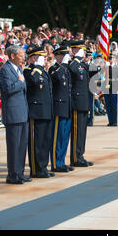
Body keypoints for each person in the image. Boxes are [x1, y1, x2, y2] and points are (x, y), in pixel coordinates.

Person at [0, 45, 31, 184]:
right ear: (12, 56)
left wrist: (20, 81)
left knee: (22, 145)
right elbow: (7, 89)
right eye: (20, 55)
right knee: (14, 145)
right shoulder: (5, 69)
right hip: (13, 113)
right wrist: (19, 81)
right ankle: (12, 174)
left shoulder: (18, 69)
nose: (23, 58)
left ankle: (20, 172)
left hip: (22, 111)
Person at [23, 45, 55, 178]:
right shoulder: (28, 71)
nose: (44, 59)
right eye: (41, 57)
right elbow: (33, 81)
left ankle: (43, 167)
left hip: (46, 110)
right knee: (36, 142)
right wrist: (37, 67)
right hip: (35, 111)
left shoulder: (42, 71)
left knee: (44, 141)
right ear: (34, 58)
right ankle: (36, 169)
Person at [48, 41, 74, 172]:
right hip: (58, 107)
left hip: (67, 106)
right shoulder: (54, 69)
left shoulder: (66, 69)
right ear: (57, 56)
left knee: (64, 137)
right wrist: (63, 64)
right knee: (57, 138)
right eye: (64, 55)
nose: (66, 57)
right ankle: (55, 163)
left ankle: (62, 161)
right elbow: (56, 78)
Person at [68, 40, 94, 167]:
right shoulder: (73, 63)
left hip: (83, 101)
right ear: (75, 51)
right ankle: (75, 157)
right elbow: (71, 70)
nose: (84, 52)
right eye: (82, 50)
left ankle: (80, 155)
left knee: (82, 132)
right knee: (77, 131)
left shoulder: (83, 65)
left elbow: (92, 71)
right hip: (76, 102)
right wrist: (77, 57)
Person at [104, 53, 118, 126]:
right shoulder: (106, 67)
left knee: (114, 105)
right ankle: (110, 120)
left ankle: (114, 121)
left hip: (114, 86)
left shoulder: (117, 67)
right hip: (107, 86)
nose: (110, 60)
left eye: (112, 59)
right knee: (108, 104)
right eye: (109, 59)